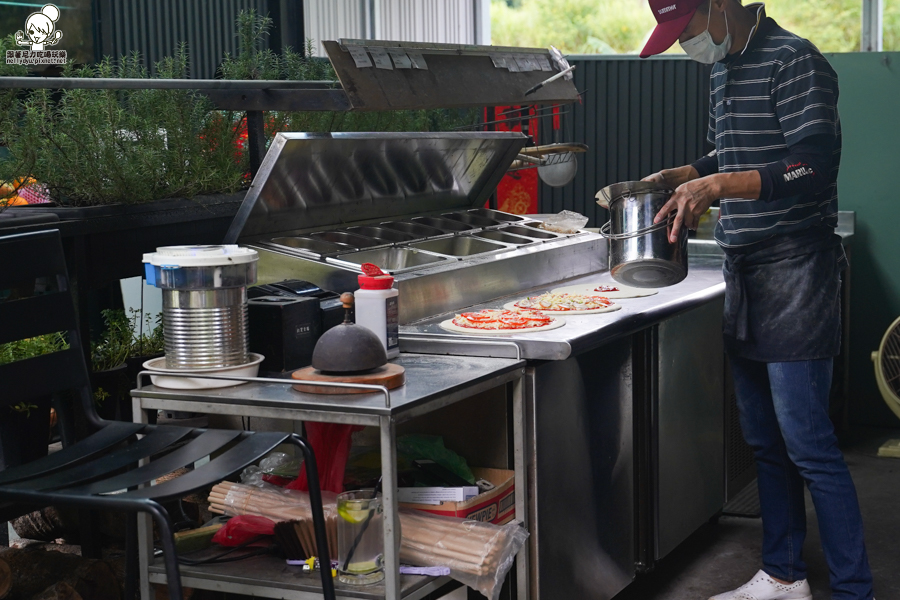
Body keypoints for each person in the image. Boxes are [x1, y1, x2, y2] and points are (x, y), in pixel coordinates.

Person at [639, 1, 874, 600]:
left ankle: (854, 590)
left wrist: (717, 186)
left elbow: (811, 166)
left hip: (797, 266)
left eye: (686, 29)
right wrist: (687, 172)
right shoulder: (724, 66)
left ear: (719, 5)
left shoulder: (794, 60)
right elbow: (732, 156)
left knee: (807, 440)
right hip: (744, 267)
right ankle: (783, 575)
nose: (686, 44)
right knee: (764, 438)